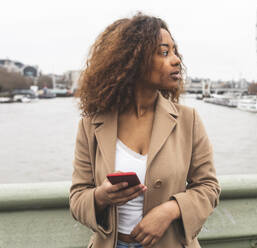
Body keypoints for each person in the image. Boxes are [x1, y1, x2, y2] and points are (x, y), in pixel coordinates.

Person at [69, 13, 220, 248]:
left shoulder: (188, 120)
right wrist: (101, 196)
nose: (176, 60)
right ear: (133, 60)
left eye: (175, 51)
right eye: (163, 52)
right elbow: (77, 198)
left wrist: (171, 210)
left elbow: (209, 188)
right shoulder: (91, 125)